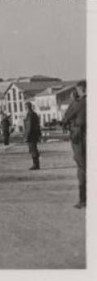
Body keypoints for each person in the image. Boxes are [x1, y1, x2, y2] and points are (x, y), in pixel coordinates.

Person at [61, 81, 86, 209]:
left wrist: (73, 100)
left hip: (80, 139)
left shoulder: (80, 103)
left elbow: (65, 118)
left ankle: (83, 200)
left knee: (82, 169)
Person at [23, 102, 41, 170]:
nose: (25, 109)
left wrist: (26, 136)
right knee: (34, 149)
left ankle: (35, 165)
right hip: (34, 134)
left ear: (27, 107)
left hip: (31, 135)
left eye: (25, 107)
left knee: (33, 150)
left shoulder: (30, 115)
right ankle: (36, 164)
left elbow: (29, 127)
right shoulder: (34, 114)